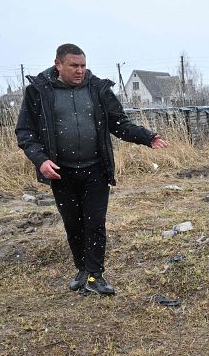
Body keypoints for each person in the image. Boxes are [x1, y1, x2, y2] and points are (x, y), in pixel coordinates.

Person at [16, 43, 168, 295]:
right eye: (73, 66)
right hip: (60, 172)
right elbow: (25, 132)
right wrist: (41, 160)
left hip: (95, 170)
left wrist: (147, 137)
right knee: (73, 224)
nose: (80, 71)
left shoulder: (98, 89)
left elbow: (119, 123)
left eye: (83, 65)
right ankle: (82, 271)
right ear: (58, 64)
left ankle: (96, 275)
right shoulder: (38, 92)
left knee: (95, 223)